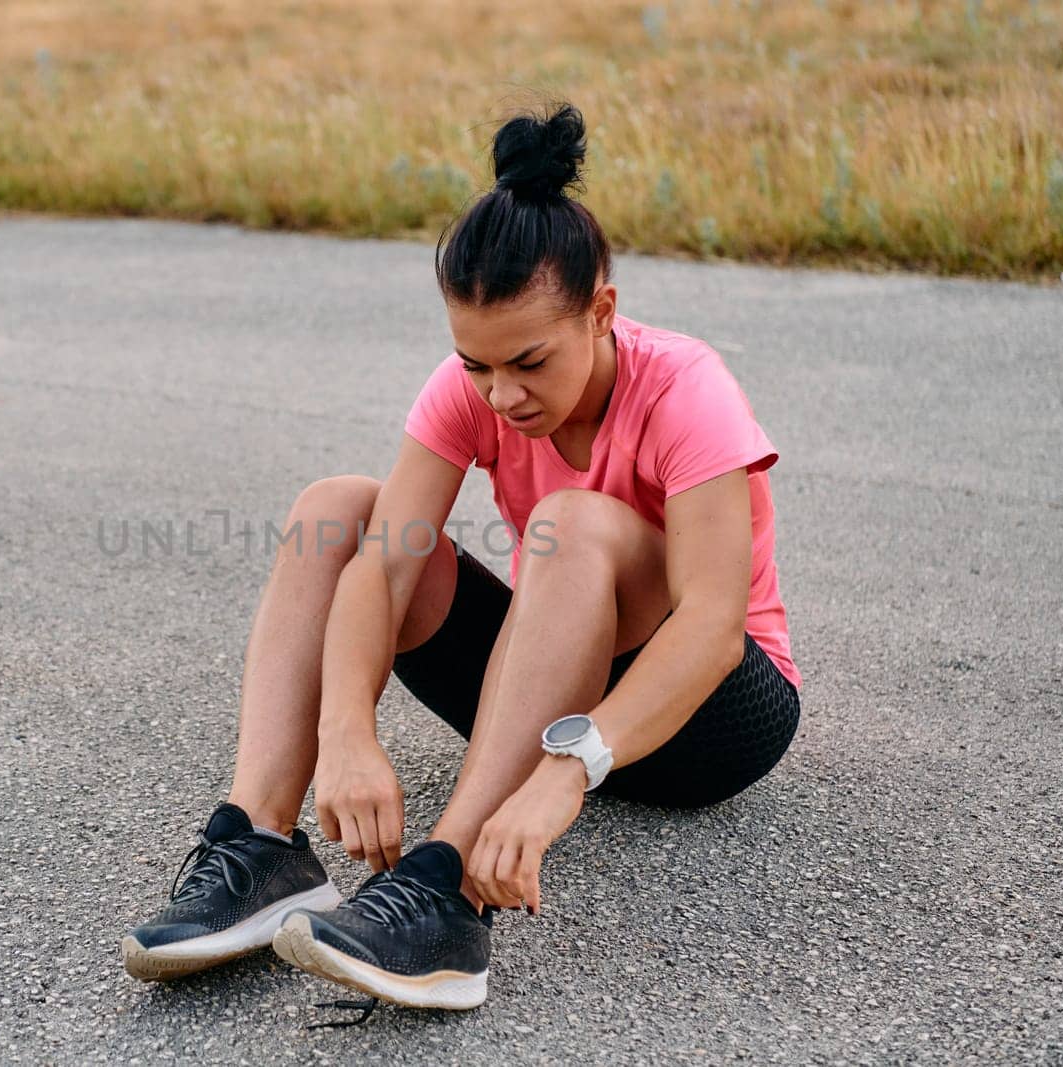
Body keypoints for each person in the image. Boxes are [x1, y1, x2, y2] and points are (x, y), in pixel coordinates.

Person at [118, 101, 801, 1013]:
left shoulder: (687, 390)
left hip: (712, 720)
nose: (500, 394)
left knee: (573, 520)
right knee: (337, 511)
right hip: (558, 678)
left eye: (527, 362)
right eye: (475, 365)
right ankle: (263, 843)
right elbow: (384, 567)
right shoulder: (473, 387)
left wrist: (563, 775)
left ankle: (448, 895)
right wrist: (346, 733)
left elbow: (714, 628)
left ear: (602, 311)